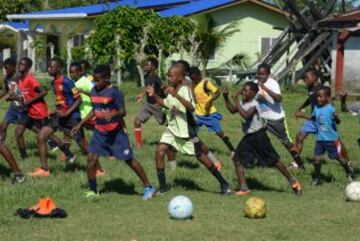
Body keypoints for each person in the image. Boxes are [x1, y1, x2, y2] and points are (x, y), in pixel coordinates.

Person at [72, 64, 156, 200]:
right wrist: (80, 123)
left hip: (116, 133)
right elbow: (94, 110)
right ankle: (93, 191)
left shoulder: (115, 92)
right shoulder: (94, 91)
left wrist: (113, 113)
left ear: (107, 78)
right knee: (91, 160)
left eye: (99, 80)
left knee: (129, 160)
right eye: (95, 80)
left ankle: (148, 187)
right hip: (99, 132)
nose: (96, 83)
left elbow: (123, 111)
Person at [146, 64, 231, 195]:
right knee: (159, 152)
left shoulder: (184, 89)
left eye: (171, 76)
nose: (169, 78)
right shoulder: (172, 88)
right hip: (172, 129)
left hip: (186, 131)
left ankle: (224, 183)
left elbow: (191, 108)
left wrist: (176, 95)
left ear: (180, 77)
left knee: (201, 157)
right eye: (168, 75)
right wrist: (154, 95)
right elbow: (166, 104)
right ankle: (163, 188)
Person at [223, 82, 302, 196]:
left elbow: (245, 115)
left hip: (259, 136)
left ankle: (293, 181)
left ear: (254, 93)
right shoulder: (243, 103)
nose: (243, 92)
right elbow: (232, 110)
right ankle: (244, 188)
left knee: (274, 160)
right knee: (237, 159)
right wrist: (225, 97)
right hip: (248, 137)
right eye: (243, 90)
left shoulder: (255, 104)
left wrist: (235, 99)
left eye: (246, 91)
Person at [14, 57, 75, 177]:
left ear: (28, 67)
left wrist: (29, 101)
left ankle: (69, 154)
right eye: (19, 63)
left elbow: (43, 92)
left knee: (48, 136)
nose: (19, 66)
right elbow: (24, 95)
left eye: (22, 64)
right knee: (19, 131)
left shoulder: (30, 78)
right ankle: (25, 158)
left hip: (39, 112)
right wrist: (17, 99)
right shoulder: (19, 80)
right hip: (28, 112)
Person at [31, 57, 82, 177]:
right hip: (58, 117)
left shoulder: (68, 81)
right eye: (48, 66)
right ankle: (44, 170)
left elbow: (79, 99)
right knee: (41, 136)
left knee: (83, 144)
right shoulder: (53, 82)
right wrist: (55, 111)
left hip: (71, 117)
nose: (49, 69)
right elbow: (62, 101)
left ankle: (99, 169)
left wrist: (67, 112)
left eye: (51, 67)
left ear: (59, 68)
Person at [296, 86, 355, 185]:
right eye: (317, 97)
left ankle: (349, 172)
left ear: (327, 98)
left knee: (339, 158)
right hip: (320, 140)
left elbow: (338, 122)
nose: (318, 99)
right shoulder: (316, 108)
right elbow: (313, 118)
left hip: (331, 140)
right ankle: (318, 179)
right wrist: (302, 115)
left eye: (320, 97)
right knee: (316, 159)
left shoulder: (330, 109)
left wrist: (336, 118)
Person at [256, 63, 304, 169]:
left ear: (268, 74)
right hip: (263, 119)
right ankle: (262, 161)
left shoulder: (273, 83)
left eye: (263, 74)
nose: (261, 76)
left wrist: (264, 88)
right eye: (259, 74)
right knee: (257, 139)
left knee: (286, 143)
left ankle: (300, 163)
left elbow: (279, 99)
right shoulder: (256, 83)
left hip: (276, 119)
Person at [189, 66, 235, 156]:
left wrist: (210, 100)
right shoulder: (192, 85)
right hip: (198, 114)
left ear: (199, 76)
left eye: (195, 79)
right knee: (192, 132)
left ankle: (232, 149)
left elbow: (217, 92)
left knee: (219, 133)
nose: (194, 80)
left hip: (210, 114)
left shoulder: (206, 83)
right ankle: (194, 150)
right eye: (192, 79)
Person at [70, 62, 105, 176]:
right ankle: (67, 153)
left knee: (102, 134)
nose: (71, 74)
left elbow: (95, 94)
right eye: (70, 72)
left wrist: (82, 91)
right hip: (81, 114)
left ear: (80, 72)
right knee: (80, 140)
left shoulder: (85, 81)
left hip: (90, 112)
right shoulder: (74, 83)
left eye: (73, 72)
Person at [134, 57, 165, 148]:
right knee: (137, 121)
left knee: (165, 123)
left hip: (157, 105)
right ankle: (139, 145)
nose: (145, 66)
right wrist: (142, 95)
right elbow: (148, 87)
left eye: (148, 65)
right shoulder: (146, 76)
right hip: (148, 104)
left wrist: (162, 93)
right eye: (145, 65)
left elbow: (163, 86)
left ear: (154, 67)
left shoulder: (156, 78)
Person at [0, 58, 23, 143]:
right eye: (4, 68)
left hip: (23, 107)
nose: (5, 70)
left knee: (33, 127)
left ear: (13, 67)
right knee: (3, 126)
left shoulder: (19, 77)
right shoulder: (7, 78)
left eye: (6, 68)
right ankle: (2, 144)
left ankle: (50, 139)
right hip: (13, 107)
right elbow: (5, 90)